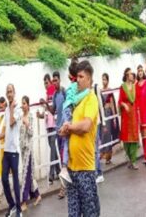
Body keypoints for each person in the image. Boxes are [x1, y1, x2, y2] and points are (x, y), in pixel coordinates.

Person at [59, 61, 100, 217]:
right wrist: (65, 129)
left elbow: (86, 126)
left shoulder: (91, 98)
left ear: (89, 79)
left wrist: (69, 127)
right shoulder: (75, 101)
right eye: (77, 77)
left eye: (82, 77)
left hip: (85, 168)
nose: (78, 80)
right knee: (73, 213)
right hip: (72, 168)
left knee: (90, 212)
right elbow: (72, 125)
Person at [59, 60, 90, 185]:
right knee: (67, 138)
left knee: (67, 137)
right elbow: (75, 100)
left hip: (65, 111)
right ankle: (65, 167)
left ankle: (66, 166)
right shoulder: (74, 87)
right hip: (68, 111)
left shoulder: (70, 87)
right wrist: (87, 92)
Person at [0, 84, 22, 217]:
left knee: (15, 180)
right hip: (6, 151)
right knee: (4, 178)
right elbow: (6, 130)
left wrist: (10, 108)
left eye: (11, 92)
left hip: (15, 151)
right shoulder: (7, 110)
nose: (9, 94)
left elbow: (11, 123)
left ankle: (19, 210)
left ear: (14, 93)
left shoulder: (17, 109)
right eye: (7, 92)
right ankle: (11, 205)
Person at [36, 74, 60, 184]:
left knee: (53, 148)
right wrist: (40, 115)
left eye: (47, 82)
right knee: (53, 148)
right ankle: (58, 170)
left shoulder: (52, 92)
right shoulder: (48, 94)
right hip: (49, 124)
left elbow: (52, 109)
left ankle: (51, 173)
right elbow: (47, 110)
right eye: (44, 83)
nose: (46, 85)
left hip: (53, 123)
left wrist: (45, 104)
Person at [20, 96, 41, 211]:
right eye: (22, 103)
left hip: (28, 150)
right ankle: (37, 195)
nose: (22, 105)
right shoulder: (20, 117)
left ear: (28, 105)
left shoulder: (30, 116)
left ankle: (23, 201)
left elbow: (31, 132)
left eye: (24, 103)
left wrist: (27, 124)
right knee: (29, 175)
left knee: (25, 176)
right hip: (22, 150)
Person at [49, 71, 66, 199]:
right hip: (58, 128)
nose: (55, 82)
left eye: (56, 80)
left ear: (59, 80)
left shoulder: (64, 92)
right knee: (62, 157)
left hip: (65, 128)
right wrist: (45, 104)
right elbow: (53, 110)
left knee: (64, 156)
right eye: (53, 81)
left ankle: (63, 187)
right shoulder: (54, 95)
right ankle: (65, 185)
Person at [119, 68, 139, 169]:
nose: (133, 75)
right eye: (131, 74)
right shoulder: (122, 87)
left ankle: (134, 161)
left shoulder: (135, 87)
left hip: (134, 115)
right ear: (127, 75)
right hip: (126, 116)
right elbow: (119, 101)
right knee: (127, 139)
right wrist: (124, 105)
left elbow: (137, 100)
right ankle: (129, 159)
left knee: (134, 138)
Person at [99, 73, 115, 164]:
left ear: (108, 80)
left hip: (109, 112)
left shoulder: (109, 90)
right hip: (103, 114)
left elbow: (112, 103)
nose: (104, 81)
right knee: (103, 134)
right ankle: (103, 154)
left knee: (108, 134)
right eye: (102, 79)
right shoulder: (100, 91)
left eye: (105, 79)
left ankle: (108, 157)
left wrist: (114, 117)